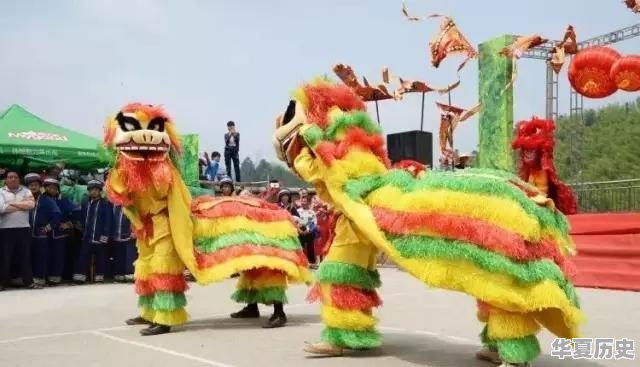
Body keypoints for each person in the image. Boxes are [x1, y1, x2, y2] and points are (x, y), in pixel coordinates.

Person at [0, 171, 37, 290]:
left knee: (25, 257)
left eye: (15, 177)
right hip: (5, 229)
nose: (13, 179)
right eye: (10, 177)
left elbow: (31, 205)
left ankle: (28, 282)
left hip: (24, 229)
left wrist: (11, 203)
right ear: (6, 180)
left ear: (19, 179)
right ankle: (2, 284)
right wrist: (22, 205)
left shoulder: (26, 191)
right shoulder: (1, 191)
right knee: (5, 258)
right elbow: (2, 208)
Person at [25, 174, 61, 287]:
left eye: (35, 185)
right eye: (30, 185)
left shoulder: (48, 200)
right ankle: (27, 278)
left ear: (40, 187)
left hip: (40, 235)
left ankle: (39, 278)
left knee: (40, 257)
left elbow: (57, 215)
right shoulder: (24, 199)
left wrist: (48, 227)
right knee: (26, 257)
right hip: (26, 234)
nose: (33, 187)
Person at [73, 180, 112, 284]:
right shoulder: (85, 203)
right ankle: (80, 277)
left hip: (100, 236)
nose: (93, 192)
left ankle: (99, 277)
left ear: (100, 191)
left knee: (101, 257)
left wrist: (105, 235)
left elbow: (108, 220)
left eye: (96, 190)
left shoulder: (105, 204)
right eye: (91, 190)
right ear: (88, 191)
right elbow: (81, 217)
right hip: (87, 236)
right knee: (83, 256)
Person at [44, 178, 75, 285]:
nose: (52, 190)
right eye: (49, 187)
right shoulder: (41, 199)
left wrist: (69, 224)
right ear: (45, 188)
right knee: (44, 255)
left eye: (54, 188)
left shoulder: (63, 200)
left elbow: (76, 213)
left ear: (58, 189)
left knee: (58, 255)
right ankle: (44, 275)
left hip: (59, 233)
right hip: (44, 233)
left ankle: (55, 276)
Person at [111, 204, 136, 283]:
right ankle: (119, 275)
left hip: (129, 236)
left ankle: (129, 274)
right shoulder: (114, 205)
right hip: (116, 235)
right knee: (119, 256)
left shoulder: (132, 205)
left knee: (130, 255)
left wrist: (134, 231)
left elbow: (135, 218)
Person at [296, 195, 318, 267]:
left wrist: (307, 230)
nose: (303, 202)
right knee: (299, 247)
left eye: (305, 201)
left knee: (310, 247)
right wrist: (300, 230)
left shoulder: (312, 212)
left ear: (308, 202)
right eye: (302, 201)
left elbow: (314, 223)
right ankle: (300, 262)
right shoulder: (297, 211)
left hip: (309, 232)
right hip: (299, 231)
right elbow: (295, 221)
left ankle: (312, 262)